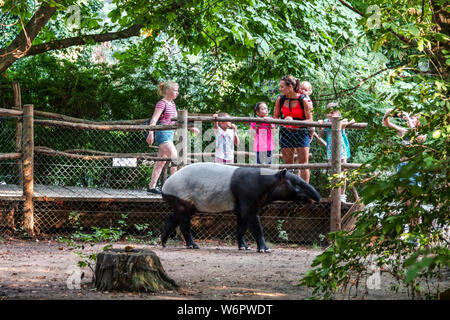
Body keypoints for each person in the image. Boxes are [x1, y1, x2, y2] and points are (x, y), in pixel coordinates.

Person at [146, 81, 198, 194]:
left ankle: (151, 187)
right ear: (168, 91)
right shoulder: (161, 103)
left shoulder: (173, 104)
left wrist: (190, 127)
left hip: (169, 134)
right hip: (162, 133)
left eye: (177, 90)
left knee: (161, 162)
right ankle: (172, 188)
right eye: (175, 90)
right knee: (176, 159)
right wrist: (151, 133)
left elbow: (177, 121)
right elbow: (154, 119)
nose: (177, 93)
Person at [273, 75, 313, 182]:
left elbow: (310, 120)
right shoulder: (280, 99)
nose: (280, 89)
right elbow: (275, 118)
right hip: (286, 133)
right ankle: (289, 191)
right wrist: (285, 122)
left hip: (301, 132)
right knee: (288, 164)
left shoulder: (303, 100)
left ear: (290, 86)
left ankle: (305, 192)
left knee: (303, 164)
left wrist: (295, 123)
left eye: (282, 87)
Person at [317, 105, 355, 202]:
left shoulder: (341, 120)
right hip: (330, 149)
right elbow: (320, 135)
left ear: (338, 113)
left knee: (342, 170)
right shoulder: (326, 122)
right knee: (333, 171)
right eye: (328, 112)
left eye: (332, 112)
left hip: (341, 148)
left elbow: (353, 119)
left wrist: (343, 123)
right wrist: (320, 126)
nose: (330, 114)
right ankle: (333, 193)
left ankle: (342, 195)